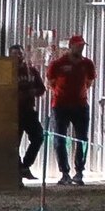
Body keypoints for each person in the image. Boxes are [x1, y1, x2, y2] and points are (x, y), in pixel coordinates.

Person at [47, 35, 94, 185]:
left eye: (82, 45)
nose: (81, 48)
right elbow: (51, 83)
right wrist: (62, 94)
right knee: (59, 139)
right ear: (71, 46)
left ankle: (79, 171)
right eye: (78, 45)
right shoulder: (58, 64)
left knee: (82, 139)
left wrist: (80, 94)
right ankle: (64, 172)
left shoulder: (87, 64)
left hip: (80, 106)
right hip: (61, 106)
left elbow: (89, 82)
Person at [13, 44, 43, 182]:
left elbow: (41, 88)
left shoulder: (31, 71)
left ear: (23, 55)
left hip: (29, 110)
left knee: (38, 137)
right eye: (14, 54)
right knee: (13, 143)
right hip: (13, 112)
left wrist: (33, 92)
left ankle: (26, 165)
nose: (17, 56)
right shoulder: (5, 71)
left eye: (19, 53)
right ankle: (18, 170)